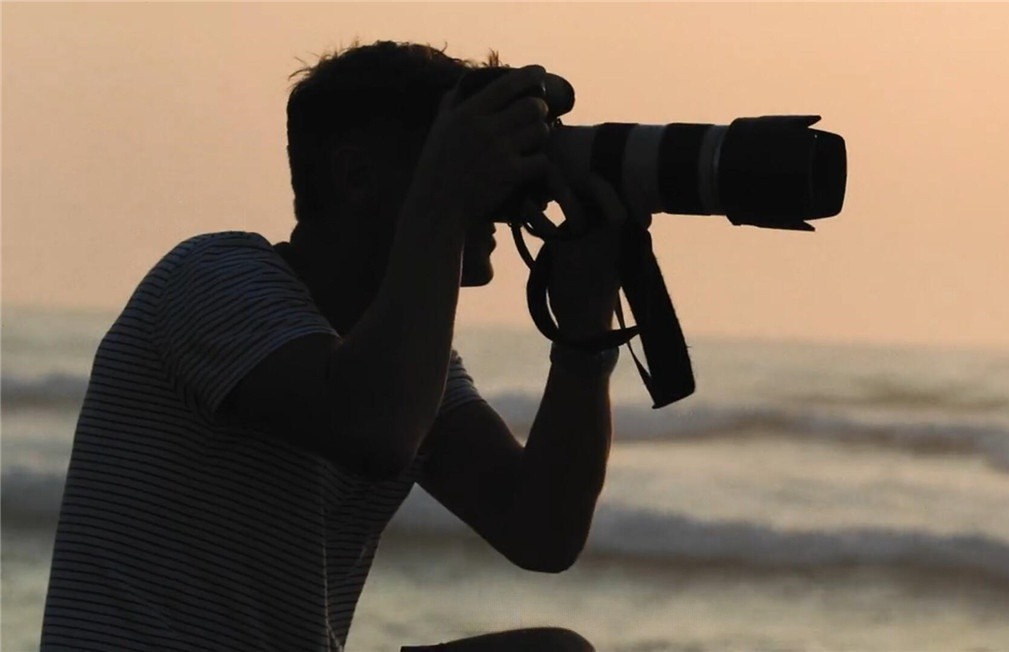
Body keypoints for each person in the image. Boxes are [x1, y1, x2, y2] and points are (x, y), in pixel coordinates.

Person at [40, 41, 629, 651]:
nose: (500, 196)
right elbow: (376, 428)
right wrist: (444, 202)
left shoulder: (407, 363)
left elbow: (543, 529)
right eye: (463, 161)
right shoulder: (212, 280)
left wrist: (585, 334)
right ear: (357, 178)